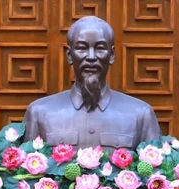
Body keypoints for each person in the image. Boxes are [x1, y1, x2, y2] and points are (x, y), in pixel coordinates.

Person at [23, 16, 161, 150]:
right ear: (70, 56)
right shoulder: (39, 112)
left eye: (100, 48)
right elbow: (23, 169)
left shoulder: (141, 114)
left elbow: (156, 171)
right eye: (82, 48)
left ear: (111, 55)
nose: (91, 57)